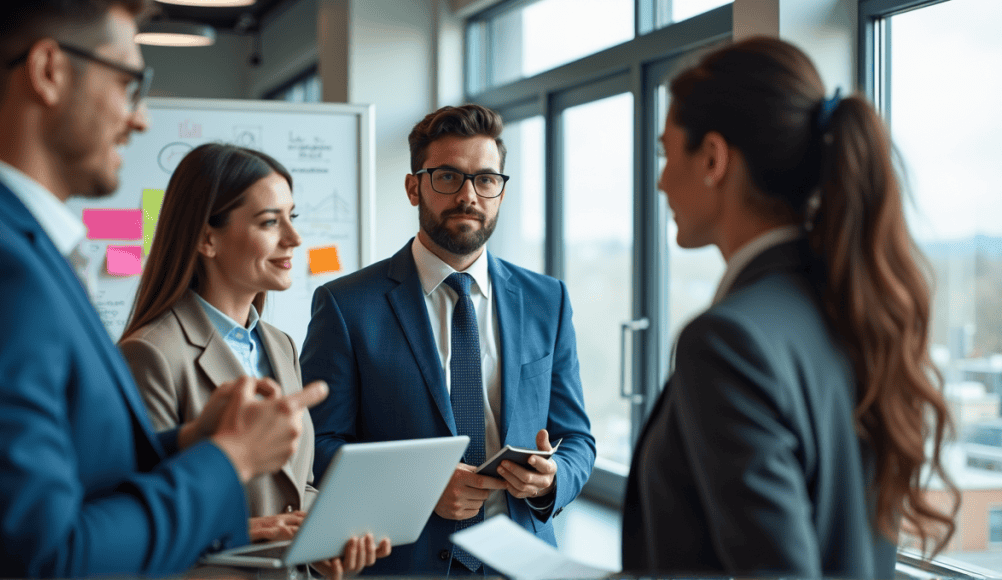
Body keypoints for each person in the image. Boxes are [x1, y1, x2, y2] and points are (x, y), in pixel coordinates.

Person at [0, 2, 326, 576]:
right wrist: (227, 458)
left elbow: (76, 478)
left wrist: (190, 440)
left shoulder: (28, 249)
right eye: (129, 83)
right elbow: (45, 557)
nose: (140, 119)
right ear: (48, 71)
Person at [621, 37, 959, 578]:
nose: (660, 180)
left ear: (712, 157)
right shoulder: (855, 308)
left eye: (666, 153)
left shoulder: (727, 341)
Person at [299, 104, 595, 575]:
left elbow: (576, 437)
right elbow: (319, 445)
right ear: (414, 186)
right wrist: (419, 491)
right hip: (403, 564)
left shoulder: (547, 299)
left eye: (486, 180)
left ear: (500, 188)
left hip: (521, 562)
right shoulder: (347, 305)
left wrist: (552, 479)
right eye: (448, 178)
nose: (469, 196)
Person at [119, 142, 390, 579]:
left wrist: (328, 535)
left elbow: (293, 484)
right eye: (269, 222)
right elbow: (134, 516)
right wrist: (246, 534)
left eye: (292, 217)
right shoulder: (150, 354)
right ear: (207, 238)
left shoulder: (280, 344)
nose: (294, 238)